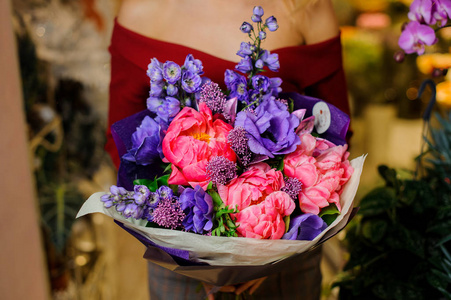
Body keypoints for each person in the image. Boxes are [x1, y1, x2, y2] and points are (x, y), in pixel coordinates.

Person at [105, 0, 351, 299]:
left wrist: (268, 252)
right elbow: (124, 147)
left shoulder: (306, 7)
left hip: (288, 260)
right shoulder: (143, 9)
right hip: (180, 266)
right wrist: (194, 255)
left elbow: (335, 136)